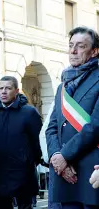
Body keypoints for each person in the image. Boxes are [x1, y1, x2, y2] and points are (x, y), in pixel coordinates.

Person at [46, 26, 99, 209]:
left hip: (89, 173)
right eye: (71, 45)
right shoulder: (63, 86)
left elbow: (95, 126)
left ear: (94, 51)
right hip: (64, 174)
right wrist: (56, 156)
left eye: (80, 46)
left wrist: (65, 156)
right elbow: (52, 127)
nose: (73, 51)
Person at [0, 76, 42, 209]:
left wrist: (31, 160)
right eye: (1, 88)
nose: (4, 91)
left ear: (16, 91)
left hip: (22, 170)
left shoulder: (29, 112)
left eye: (8, 88)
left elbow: (36, 141)